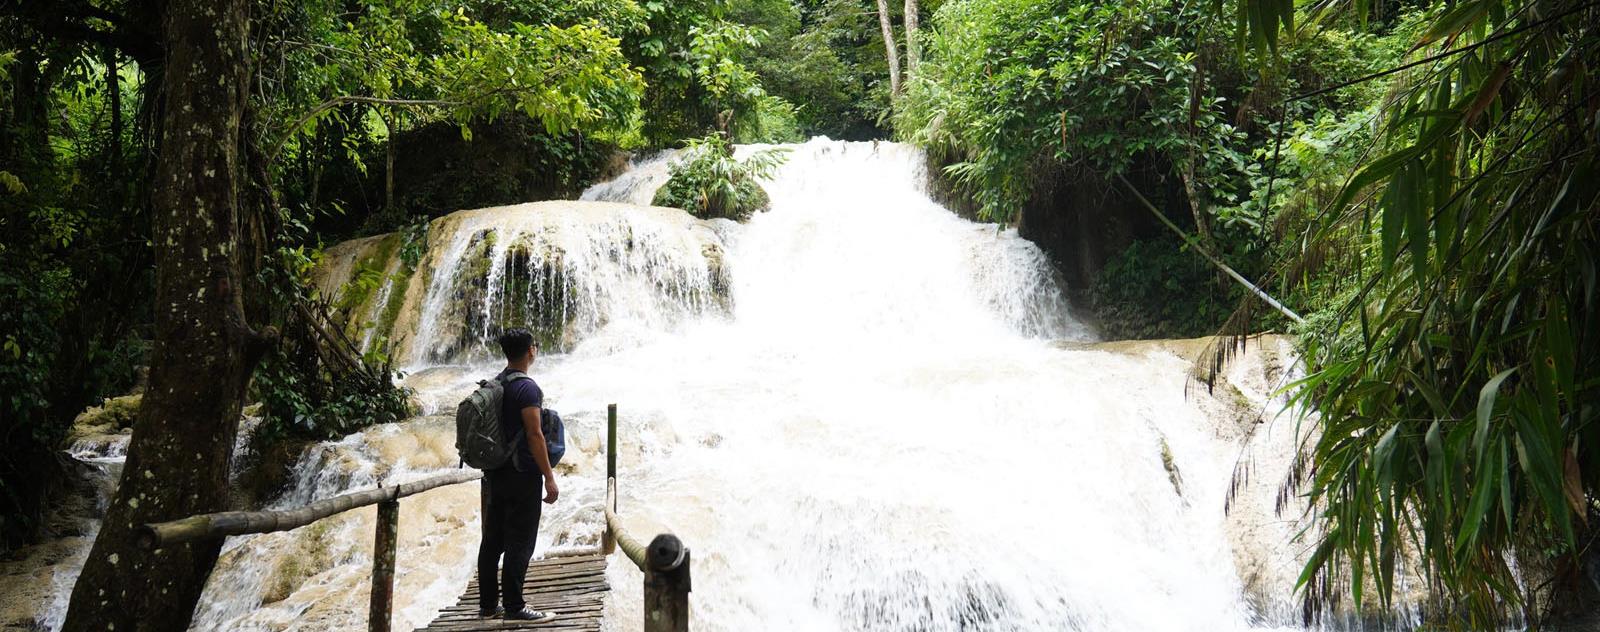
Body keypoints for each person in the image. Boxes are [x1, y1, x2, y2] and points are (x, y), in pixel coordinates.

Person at [477, 329, 560, 621]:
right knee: (520, 541)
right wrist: (549, 477)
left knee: (493, 541)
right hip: (521, 475)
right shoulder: (527, 389)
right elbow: (535, 435)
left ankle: (488, 605)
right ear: (531, 351)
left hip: (496, 473)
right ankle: (514, 607)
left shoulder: (497, 383)